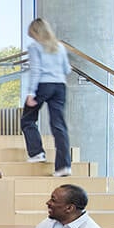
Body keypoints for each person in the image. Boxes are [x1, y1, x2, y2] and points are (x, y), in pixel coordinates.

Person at [22, 17, 71, 177]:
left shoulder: (35, 47)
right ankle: (63, 166)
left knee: (27, 119)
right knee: (59, 126)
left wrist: (31, 92)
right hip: (60, 86)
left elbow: (36, 70)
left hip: (43, 85)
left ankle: (36, 152)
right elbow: (67, 69)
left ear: (36, 33)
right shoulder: (60, 47)